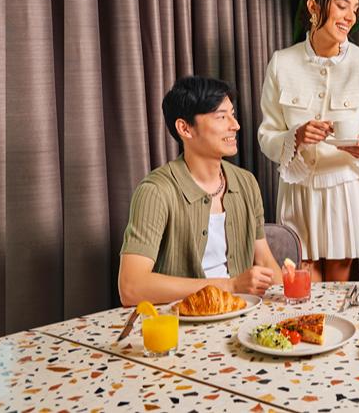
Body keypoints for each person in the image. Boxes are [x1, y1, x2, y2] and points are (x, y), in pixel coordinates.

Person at [258, 0, 359, 282]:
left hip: (347, 192)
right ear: (314, 7)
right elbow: (267, 134)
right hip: (299, 192)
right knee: (302, 289)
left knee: (339, 290)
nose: (350, 17)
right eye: (342, 6)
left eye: (355, 10)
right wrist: (294, 138)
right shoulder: (282, 63)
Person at [118, 76, 282, 306]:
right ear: (185, 128)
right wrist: (230, 286)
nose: (235, 125)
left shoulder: (246, 182)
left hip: (243, 313)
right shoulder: (155, 191)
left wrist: (293, 300)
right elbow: (131, 287)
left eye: (232, 114)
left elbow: (264, 261)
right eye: (221, 117)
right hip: (181, 321)